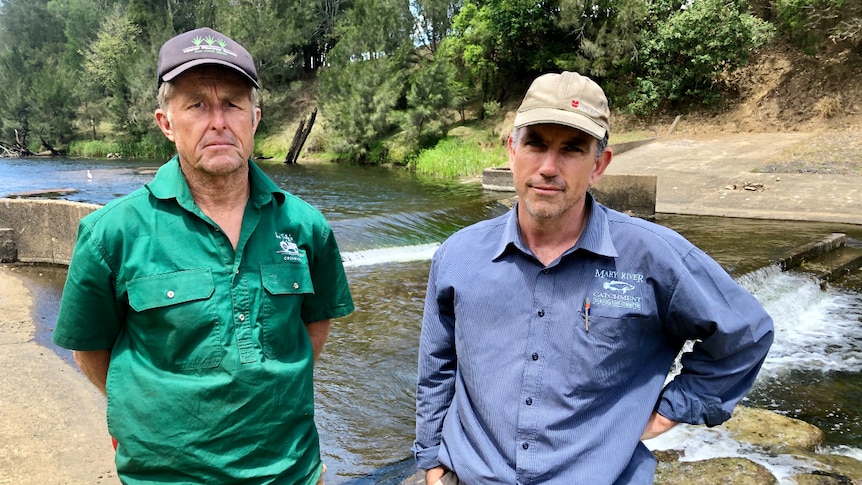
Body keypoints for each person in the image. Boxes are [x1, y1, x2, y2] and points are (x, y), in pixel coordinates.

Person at [412, 71, 774, 485]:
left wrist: (668, 412)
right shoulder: (458, 256)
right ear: (512, 150)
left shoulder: (653, 256)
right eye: (536, 143)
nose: (548, 167)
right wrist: (432, 461)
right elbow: (436, 367)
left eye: (571, 149)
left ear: (599, 164)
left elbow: (745, 333)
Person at [53, 27, 354, 484]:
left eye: (232, 103)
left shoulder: (305, 226)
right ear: (166, 122)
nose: (218, 120)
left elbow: (313, 328)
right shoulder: (110, 233)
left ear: (254, 119)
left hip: (292, 473)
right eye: (196, 104)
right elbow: (91, 352)